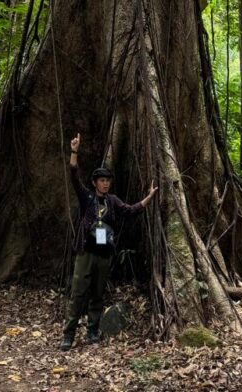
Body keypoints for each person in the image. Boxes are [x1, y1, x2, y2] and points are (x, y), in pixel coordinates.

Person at [60, 132, 157, 350]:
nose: (105, 184)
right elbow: (74, 176)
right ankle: (68, 335)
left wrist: (149, 198)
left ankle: (93, 331)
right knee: (78, 294)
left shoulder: (112, 201)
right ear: (95, 183)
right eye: (102, 181)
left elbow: (130, 210)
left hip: (104, 255)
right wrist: (74, 151)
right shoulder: (87, 198)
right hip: (86, 253)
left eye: (107, 181)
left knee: (97, 294)